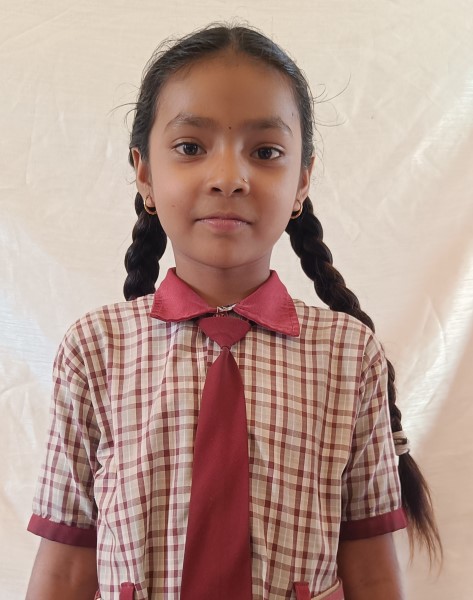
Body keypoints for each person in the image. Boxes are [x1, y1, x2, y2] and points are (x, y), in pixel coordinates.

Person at [26, 23, 441, 600]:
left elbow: (370, 569)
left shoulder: (348, 355)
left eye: (265, 152)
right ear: (144, 172)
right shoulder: (95, 349)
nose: (228, 178)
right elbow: (65, 565)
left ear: (302, 180)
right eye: (190, 148)